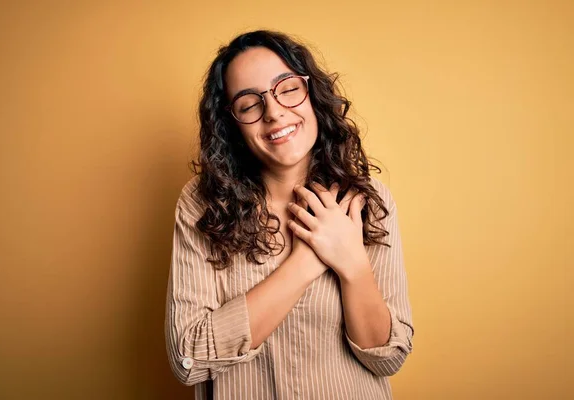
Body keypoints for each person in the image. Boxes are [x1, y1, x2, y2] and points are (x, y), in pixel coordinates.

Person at [165, 30, 414, 400]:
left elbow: (388, 357)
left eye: (288, 87)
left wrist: (354, 265)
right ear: (231, 123)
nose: (275, 111)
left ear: (312, 94)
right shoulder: (202, 204)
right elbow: (188, 357)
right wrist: (308, 260)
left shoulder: (367, 199)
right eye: (250, 104)